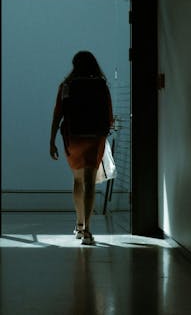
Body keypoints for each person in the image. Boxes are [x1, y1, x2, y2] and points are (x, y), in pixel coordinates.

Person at [49, 51, 113, 245]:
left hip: (73, 138)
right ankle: (88, 231)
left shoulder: (67, 86)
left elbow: (57, 114)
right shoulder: (101, 85)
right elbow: (108, 115)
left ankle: (78, 225)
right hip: (95, 138)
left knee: (78, 180)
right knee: (90, 182)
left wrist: (51, 140)